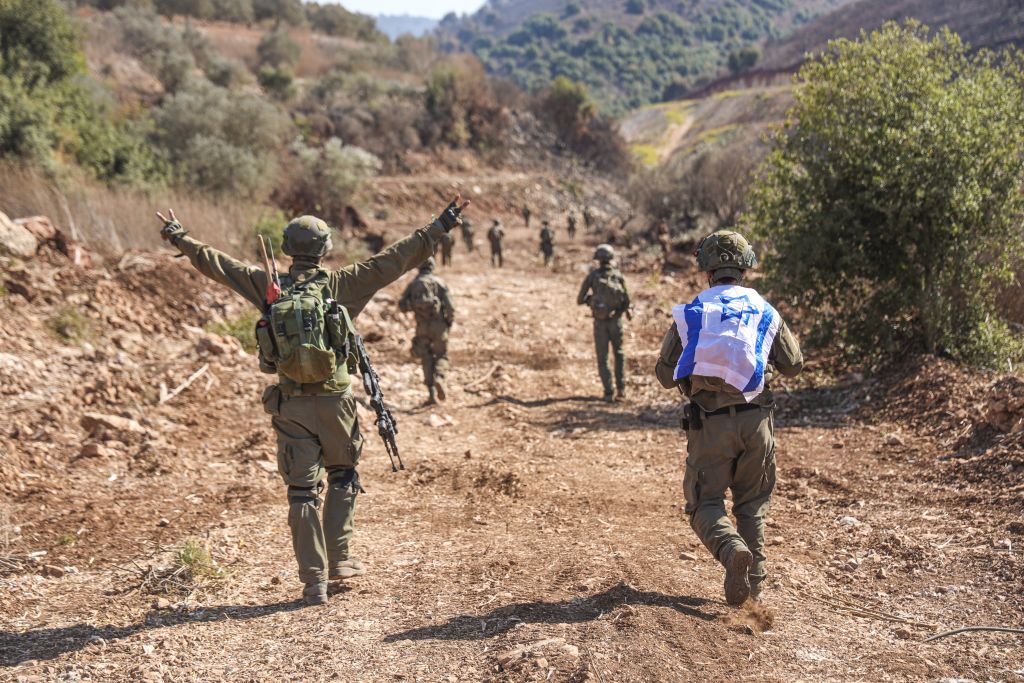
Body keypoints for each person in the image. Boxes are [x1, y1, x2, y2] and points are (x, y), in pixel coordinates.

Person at [155, 197, 469, 606]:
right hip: (336, 402)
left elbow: (219, 265)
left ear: (287, 249)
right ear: (326, 249)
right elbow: (396, 259)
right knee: (343, 473)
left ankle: (313, 582)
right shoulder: (343, 284)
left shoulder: (267, 286)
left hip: (291, 406)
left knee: (302, 492)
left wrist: (180, 238)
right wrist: (439, 225)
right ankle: (340, 558)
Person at [654, 230, 803, 606]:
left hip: (710, 425)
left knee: (704, 505)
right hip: (757, 425)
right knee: (751, 507)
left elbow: (664, 374)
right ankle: (752, 595)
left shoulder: (694, 312)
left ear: (706, 270)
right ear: (745, 268)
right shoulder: (764, 310)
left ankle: (731, 550)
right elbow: (794, 365)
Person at [577, 244, 631, 402]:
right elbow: (627, 301)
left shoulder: (592, 276)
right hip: (616, 322)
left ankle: (608, 392)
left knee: (603, 357)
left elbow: (579, 299)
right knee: (619, 354)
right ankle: (621, 390)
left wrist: (592, 301)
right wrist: (617, 312)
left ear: (598, 259)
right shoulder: (619, 276)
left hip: (600, 323)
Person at [399, 257, 455, 405]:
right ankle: (440, 378)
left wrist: (415, 308)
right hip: (439, 326)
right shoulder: (439, 283)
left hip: (422, 327)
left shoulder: (412, 285)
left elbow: (402, 306)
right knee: (441, 355)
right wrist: (448, 322)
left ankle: (431, 395)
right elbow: (450, 307)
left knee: (426, 358)